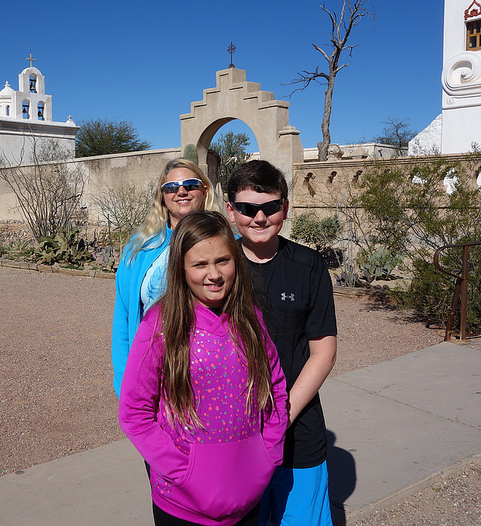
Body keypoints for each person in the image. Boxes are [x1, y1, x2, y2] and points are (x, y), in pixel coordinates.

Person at [119, 211, 289, 526]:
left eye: (223, 260)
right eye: (199, 264)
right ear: (181, 269)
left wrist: (269, 453)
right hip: (182, 506)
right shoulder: (160, 325)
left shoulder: (250, 318)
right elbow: (134, 413)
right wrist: (183, 471)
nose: (213, 274)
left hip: (248, 499)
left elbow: (276, 388)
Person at [225, 160, 337, 526]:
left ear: (285, 209)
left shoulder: (309, 265)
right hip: (233, 434)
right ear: (231, 211)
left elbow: (323, 350)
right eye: (247, 208)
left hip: (297, 429)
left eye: (270, 207)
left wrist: (280, 417)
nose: (259, 217)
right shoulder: (218, 268)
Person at [111, 158, 219, 397]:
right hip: (154, 369)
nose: (181, 191)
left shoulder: (226, 242)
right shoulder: (141, 247)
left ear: (204, 190)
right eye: (171, 187)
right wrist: (125, 382)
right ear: (162, 195)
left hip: (212, 370)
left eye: (190, 184)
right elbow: (124, 316)